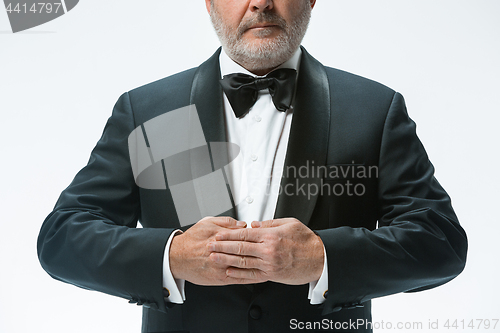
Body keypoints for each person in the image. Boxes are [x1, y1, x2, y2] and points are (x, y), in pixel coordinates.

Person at [37, 0, 468, 332]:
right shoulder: (149, 111)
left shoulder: (373, 110)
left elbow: (440, 241)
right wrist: (173, 256)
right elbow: (63, 237)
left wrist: (322, 258)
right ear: (208, 1)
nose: (260, 1)